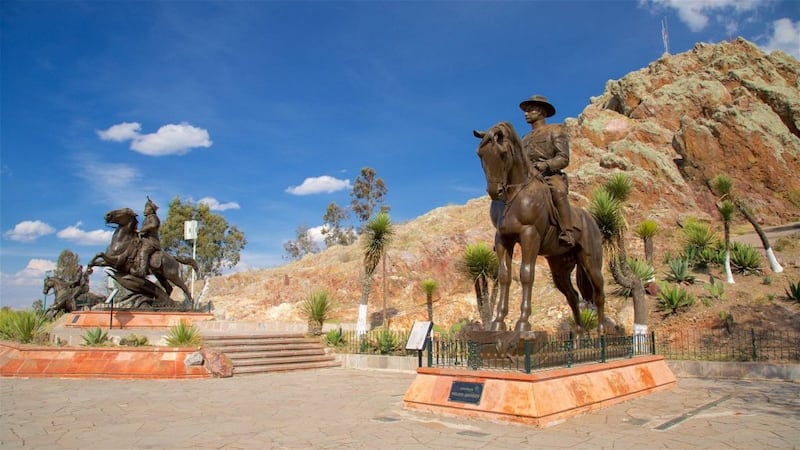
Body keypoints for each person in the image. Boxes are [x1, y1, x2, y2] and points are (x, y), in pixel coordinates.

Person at [519, 94, 575, 246]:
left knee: (558, 191)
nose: (526, 113)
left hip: (549, 175)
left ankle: (567, 232)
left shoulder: (555, 130)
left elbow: (563, 158)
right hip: (529, 178)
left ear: (541, 112)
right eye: (526, 111)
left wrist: (546, 165)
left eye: (530, 110)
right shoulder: (524, 138)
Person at [134, 197, 161, 277]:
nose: (145, 210)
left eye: (147, 208)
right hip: (145, 239)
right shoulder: (146, 218)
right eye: (145, 208)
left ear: (151, 210)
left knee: (144, 251)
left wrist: (141, 230)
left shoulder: (153, 217)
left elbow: (153, 225)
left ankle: (142, 272)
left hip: (151, 241)